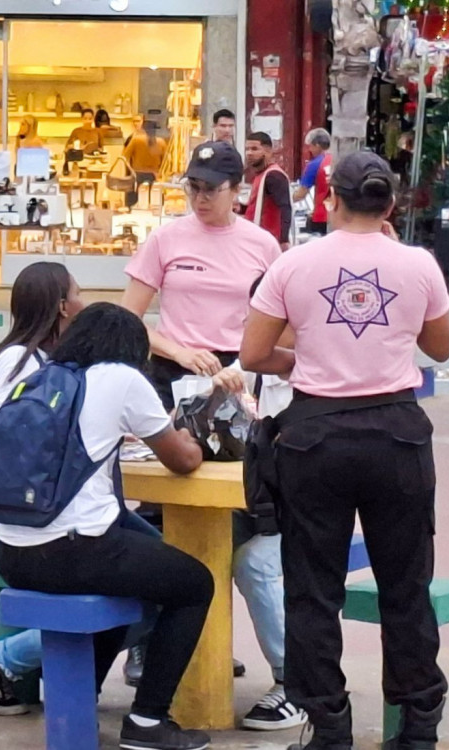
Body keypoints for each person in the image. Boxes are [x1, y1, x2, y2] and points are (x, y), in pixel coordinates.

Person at [240, 150, 449, 750]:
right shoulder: (418, 264)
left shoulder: (294, 264)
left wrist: (310, 357)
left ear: (328, 198)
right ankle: (418, 725)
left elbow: (254, 354)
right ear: (390, 203)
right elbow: (440, 347)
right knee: (406, 584)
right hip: (397, 433)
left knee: (312, 588)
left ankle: (328, 726)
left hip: (315, 436)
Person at [121, 141, 305, 732]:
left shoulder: (261, 246)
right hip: (175, 378)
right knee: (159, 511)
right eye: (193, 187)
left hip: (241, 383)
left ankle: (200, 632)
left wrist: (248, 366)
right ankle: (153, 641)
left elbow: (285, 327)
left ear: (237, 190)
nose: (200, 198)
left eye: (212, 188)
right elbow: (130, 320)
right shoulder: (166, 240)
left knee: (244, 510)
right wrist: (179, 350)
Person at [0, 302, 214, 750]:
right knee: (194, 584)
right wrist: (192, 441)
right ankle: (149, 721)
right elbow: (182, 459)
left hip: (13, 552)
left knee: (136, 570)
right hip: (73, 551)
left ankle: (77, 699)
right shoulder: (121, 378)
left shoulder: (39, 378)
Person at [0, 263, 159, 716]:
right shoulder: (21, 364)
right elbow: (35, 447)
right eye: (78, 292)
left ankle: (76, 682)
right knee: (162, 583)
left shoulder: (44, 361)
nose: (84, 301)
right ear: (61, 307)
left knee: (161, 567)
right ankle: (5, 658)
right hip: (22, 515)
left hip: (46, 508)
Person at [242, 132, 293, 250]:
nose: (249, 153)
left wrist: (283, 240)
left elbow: (285, 208)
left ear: (268, 151)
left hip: (268, 243)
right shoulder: (262, 174)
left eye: (254, 149)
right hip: (257, 240)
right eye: (247, 149)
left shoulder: (273, 176)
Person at [293, 128, 334, 236]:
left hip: (321, 217)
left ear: (317, 145)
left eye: (310, 146)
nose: (309, 150)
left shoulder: (314, 165)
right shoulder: (337, 160)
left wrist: (286, 198)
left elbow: (300, 194)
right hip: (337, 216)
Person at [123, 117, 169, 204]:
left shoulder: (136, 140)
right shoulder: (161, 142)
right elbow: (166, 162)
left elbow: (125, 157)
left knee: (135, 203)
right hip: (154, 176)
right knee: (154, 203)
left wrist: (130, 169)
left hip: (138, 174)